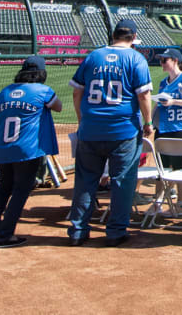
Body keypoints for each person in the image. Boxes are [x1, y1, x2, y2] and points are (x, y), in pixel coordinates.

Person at [65, 19, 154, 248]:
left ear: (113, 35)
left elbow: (77, 93)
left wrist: (82, 119)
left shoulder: (93, 56)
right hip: (123, 129)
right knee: (122, 182)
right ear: (133, 37)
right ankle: (115, 232)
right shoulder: (136, 59)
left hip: (91, 129)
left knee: (85, 181)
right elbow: (144, 96)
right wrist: (148, 122)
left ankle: (77, 231)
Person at [0, 56, 61, 248]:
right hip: (27, 149)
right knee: (21, 190)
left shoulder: (4, 92)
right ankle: (6, 235)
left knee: (4, 188)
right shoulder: (43, 91)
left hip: (1, 149)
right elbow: (58, 107)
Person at [153, 49, 182, 216]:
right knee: (162, 168)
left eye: (164, 60)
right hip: (163, 128)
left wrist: (174, 101)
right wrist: (150, 122)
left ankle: (181, 204)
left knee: (179, 167)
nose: (162, 63)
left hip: (180, 128)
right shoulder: (163, 82)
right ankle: (157, 202)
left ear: (174, 60)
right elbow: (157, 104)